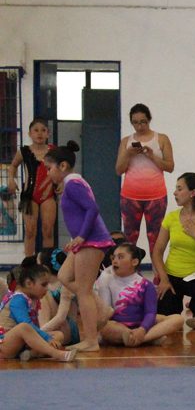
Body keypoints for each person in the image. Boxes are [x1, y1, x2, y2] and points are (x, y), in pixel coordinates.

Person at [45, 141, 114, 351]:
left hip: (92, 240)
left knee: (83, 291)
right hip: (85, 241)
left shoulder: (74, 184)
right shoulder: (73, 183)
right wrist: (77, 238)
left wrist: (82, 236)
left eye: (49, 168)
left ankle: (91, 340)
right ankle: (102, 308)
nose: (48, 173)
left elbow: (92, 209)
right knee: (64, 277)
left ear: (63, 166)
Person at [151, 172, 195, 317]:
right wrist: (164, 279)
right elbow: (157, 252)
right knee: (165, 314)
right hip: (171, 275)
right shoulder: (171, 217)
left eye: (179, 188)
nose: (174, 192)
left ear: (192, 193)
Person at [96, 243, 184, 346]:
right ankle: (144, 337)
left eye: (120, 257)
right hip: (118, 325)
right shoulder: (107, 281)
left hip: (141, 323)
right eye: (113, 258)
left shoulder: (146, 285)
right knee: (106, 327)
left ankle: (140, 338)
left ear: (134, 262)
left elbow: (150, 313)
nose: (114, 261)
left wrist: (142, 329)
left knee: (178, 319)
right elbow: (106, 312)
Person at [115, 103, 174, 255]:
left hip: (156, 196)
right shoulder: (126, 141)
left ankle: (156, 269)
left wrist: (152, 156)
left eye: (143, 122)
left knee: (155, 238)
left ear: (149, 120)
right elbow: (119, 170)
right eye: (135, 123)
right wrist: (128, 154)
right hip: (130, 196)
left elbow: (170, 166)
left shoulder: (161, 139)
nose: (140, 126)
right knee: (130, 238)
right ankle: (131, 267)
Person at [0, 263, 76, 362]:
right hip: (3, 345)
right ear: (29, 283)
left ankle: (30, 354)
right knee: (24, 327)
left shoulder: (31, 300)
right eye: (43, 285)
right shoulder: (17, 299)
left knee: (58, 335)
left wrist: (45, 338)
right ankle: (57, 354)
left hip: (18, 344)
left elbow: (34, 328)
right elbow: (27, 324)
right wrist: (46, 338)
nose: (47, 288)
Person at [7, 118, 57, 256]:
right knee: (30, 231)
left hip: (48, 195)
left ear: (48, 133)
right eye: (36, 130)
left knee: (48, 231)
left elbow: (63, 168)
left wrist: (62, 183)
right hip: (29, 196)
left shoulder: (53, 151)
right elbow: (13, 166)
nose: (39, 133)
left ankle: (47, 262)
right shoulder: (24, 151)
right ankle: (29, 262)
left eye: (43, 130)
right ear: (30, 134)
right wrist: (11, 179)